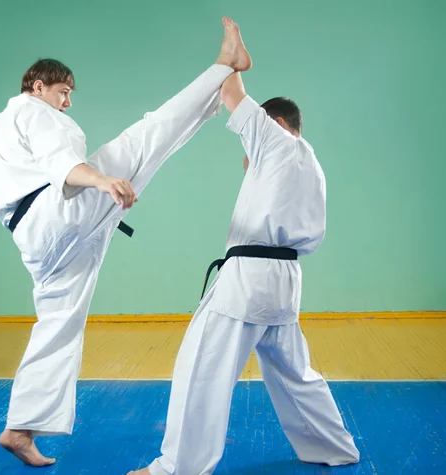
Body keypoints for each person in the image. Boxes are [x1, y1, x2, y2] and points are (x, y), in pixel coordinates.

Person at [0, 17, 252, 467]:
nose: (66, 103)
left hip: (32, 238)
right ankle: (223, 67)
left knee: (57, 324)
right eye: (63, 92)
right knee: (146, 138)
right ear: (37, 85)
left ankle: (19, 428)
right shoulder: (32, 111)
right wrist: (101, 182)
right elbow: (62, 164)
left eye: (69, 96)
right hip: (58, 210)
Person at [128, 73, 360, 475]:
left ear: (277, 124)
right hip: (284, 279)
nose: (246, 154)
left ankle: (174, 469)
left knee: (199, 369)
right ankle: (334, 447)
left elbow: (232, 92)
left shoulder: (275, 142)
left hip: (249, 280)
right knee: (294, 374)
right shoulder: (309, 164)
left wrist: (230, 61)